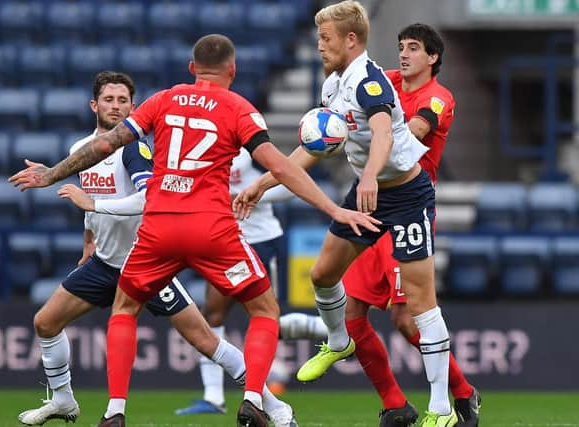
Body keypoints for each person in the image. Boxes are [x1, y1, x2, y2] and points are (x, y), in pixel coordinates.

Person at [10, 34, 379, 427]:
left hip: (159, 230)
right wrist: (333, 208)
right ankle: (254, 398)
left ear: (191, 69)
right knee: (265, 310)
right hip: (212, 230)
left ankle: (114, 410)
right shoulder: (240, 108)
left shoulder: (163, 99)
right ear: (232, 71)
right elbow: (283, 168)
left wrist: (51, 174)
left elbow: (105, 146)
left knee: (124, 309)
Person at [16, 71, 298, 427]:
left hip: (147, 258)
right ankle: (62, 400)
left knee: (204, 340)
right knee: (46, 322)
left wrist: (93, 207)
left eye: (123, 101)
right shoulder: (79, 152)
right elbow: (97, 195)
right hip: (105, 262)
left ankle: (271, 406)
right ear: (94, 105)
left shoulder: (134, 148)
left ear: (134, 107)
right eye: (109, 100)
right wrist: (90, 238)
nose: (116, 107)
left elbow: (146, 197)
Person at [234, 4, 457, 426]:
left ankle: (442, 410)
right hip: (366, 192)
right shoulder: (334, 84)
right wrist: (264, 183)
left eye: (326, 40)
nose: (320, 47)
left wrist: (370, 175)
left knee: (421, 307)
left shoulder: (369, 82)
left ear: (350, 40)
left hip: (406, 194)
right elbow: (317, 147)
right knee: (322, 274)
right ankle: (339, 341)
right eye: (318, 39)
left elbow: (384, 132)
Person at [278, 23, 482, 427]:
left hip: (408, 202)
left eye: (413, 49)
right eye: (401, 46)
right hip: (370, 202)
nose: (403, 54)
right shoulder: (380, 81)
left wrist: (379, 122)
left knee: (407, 318)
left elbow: (416, 129)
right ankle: (395, 405)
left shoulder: (439, 97)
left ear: (433, 58)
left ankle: (460, 393)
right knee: (352, 312)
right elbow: (356, 102)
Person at [176, 149, 292, 415]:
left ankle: (332, 336)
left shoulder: (251, 148)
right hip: (225, 242)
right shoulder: (198, 149)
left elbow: (289, 183)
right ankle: (214, 397)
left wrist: (244, 196)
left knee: (267, 314)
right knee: (214, 314)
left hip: (261, 240)